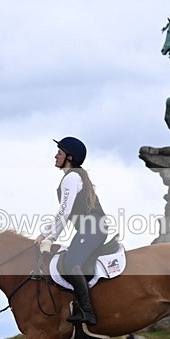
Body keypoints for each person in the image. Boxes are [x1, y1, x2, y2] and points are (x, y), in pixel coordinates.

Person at [35, 137, 108, 327]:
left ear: (69, 157)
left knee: (72, 262)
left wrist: (49, 237)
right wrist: (46, 235)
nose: (55, 156)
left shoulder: (72, 177)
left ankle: (87, 311)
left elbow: (64, 212)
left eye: (59, 153)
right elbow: (64, 212)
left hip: (93, 228)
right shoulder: (73, 177)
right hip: (88, 229)